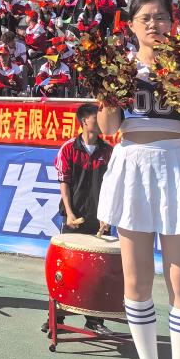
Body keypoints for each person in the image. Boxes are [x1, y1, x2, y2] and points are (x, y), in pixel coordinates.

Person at [96, 0, 180, 359]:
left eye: (161, 17)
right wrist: (109, 91)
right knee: (137, 280)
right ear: (131, 25)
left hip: (176, 165)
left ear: (172, 22)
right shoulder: (121, 67)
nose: (154, 24)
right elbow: (108, 128)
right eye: (145, 18)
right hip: (132, 166)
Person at [43, 103, 114, 335]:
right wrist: (70, 213)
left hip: (100, 218)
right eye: (96, 117)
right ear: (84, 121)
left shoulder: (109, 151)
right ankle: (56, 318)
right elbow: (64, 183)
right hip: (74, 216)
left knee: (99, 271)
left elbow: (112, 186)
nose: (101, 121)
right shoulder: (68, 149)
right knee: (66, 269)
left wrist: (107, 216)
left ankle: (94, 321)